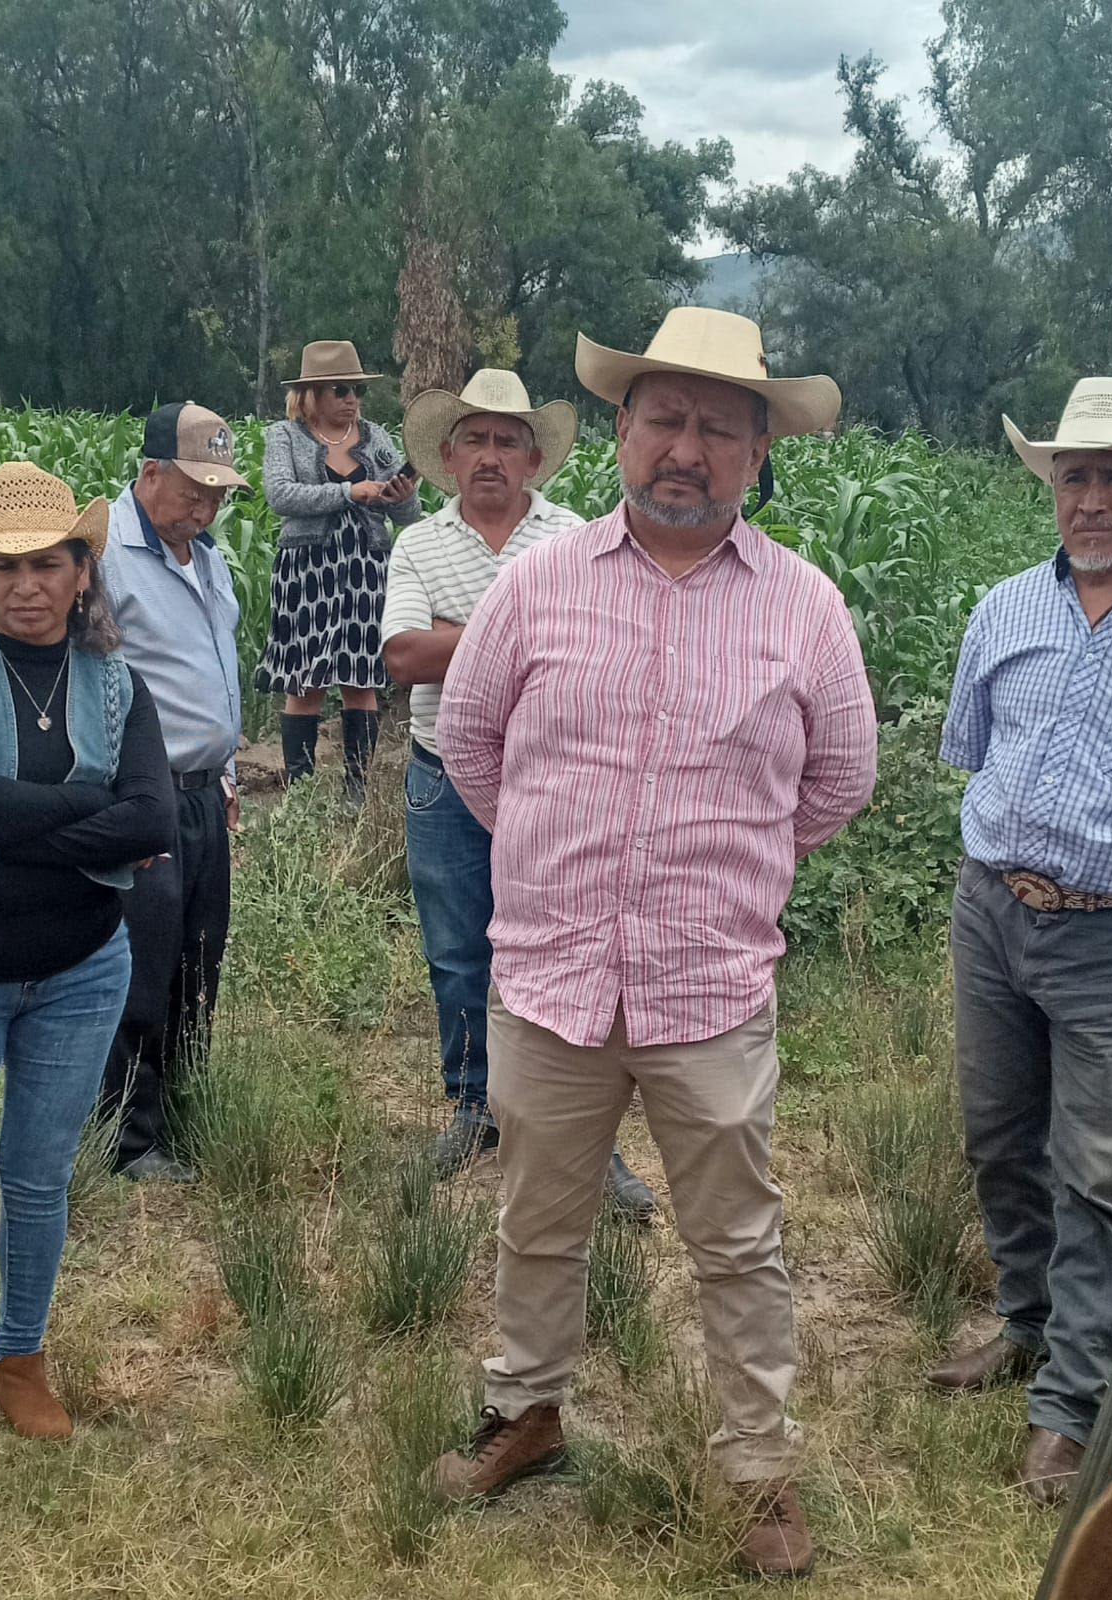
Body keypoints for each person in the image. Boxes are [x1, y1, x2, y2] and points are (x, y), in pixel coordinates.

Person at [432, 307, 877, 1579]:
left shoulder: (803, 608)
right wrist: (551, 854)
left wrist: (723, 875)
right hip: (551, 974)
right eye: (664, 418)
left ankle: (757, 1472)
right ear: (621, 432)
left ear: (755, 453)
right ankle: (525, 1413)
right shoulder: (537, 581)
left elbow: (837, 780)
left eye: (717, 429)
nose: (685, 448)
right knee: (537, 1216)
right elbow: (472, 742)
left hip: (709, 983)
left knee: (736, 1240)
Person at [929, 377, 1112, 1507]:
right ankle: (1024, 1325)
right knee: (997, 1137)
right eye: (1073, 475)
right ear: (1050, 489)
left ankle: (1076, 1405)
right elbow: (969, 749)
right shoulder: (1001, 611)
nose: (1090, 498)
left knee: (1093, 1171)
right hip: (990, 913)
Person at [0, 462, 173, 1438]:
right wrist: (94, 814)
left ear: (81, 570)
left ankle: (18, 1356)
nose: (24, 584)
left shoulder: (116, 682)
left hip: (81, 969)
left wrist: (13, 822)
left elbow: (156, 818)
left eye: (46, 562)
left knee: (37, 1177)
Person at [383, 369, 655, 1217]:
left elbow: (605, 651)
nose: (491, 456)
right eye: (476, 440)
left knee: (566, 958)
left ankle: (589, 1138)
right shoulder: (417, 545)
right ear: (449, 456)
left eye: (508, 441)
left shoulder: (577, 537)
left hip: (557, 786)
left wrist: (461, 636)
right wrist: (527, 627)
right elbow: (402, 659)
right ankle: (475, 1108)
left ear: (534, 458)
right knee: (459, 953)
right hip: (442, 779)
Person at [98, 402, 248, 1182]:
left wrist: (223, 773)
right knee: (140, 966)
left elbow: (212, 676)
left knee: (197, 961)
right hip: (143, 796)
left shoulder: (209, 558)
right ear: (151, 473)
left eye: (219, 493)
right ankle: (121, 1140)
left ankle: (178, 1116)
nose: (207, 506)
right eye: (194, 489)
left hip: (203, 796)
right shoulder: (109, 561)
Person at [255, 340, 421, 794]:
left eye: (356, 390)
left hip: (366, 568)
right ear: (311, 394)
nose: (352, 400)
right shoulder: (284, 437)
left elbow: (408, 517)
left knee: (360, 678)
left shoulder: (377, 438)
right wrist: (350, 493)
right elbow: (281, 495)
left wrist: (400, 496)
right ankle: (302, 794)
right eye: (341, 390)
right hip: (308, 570)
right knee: (305, 681)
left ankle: (355, 790)